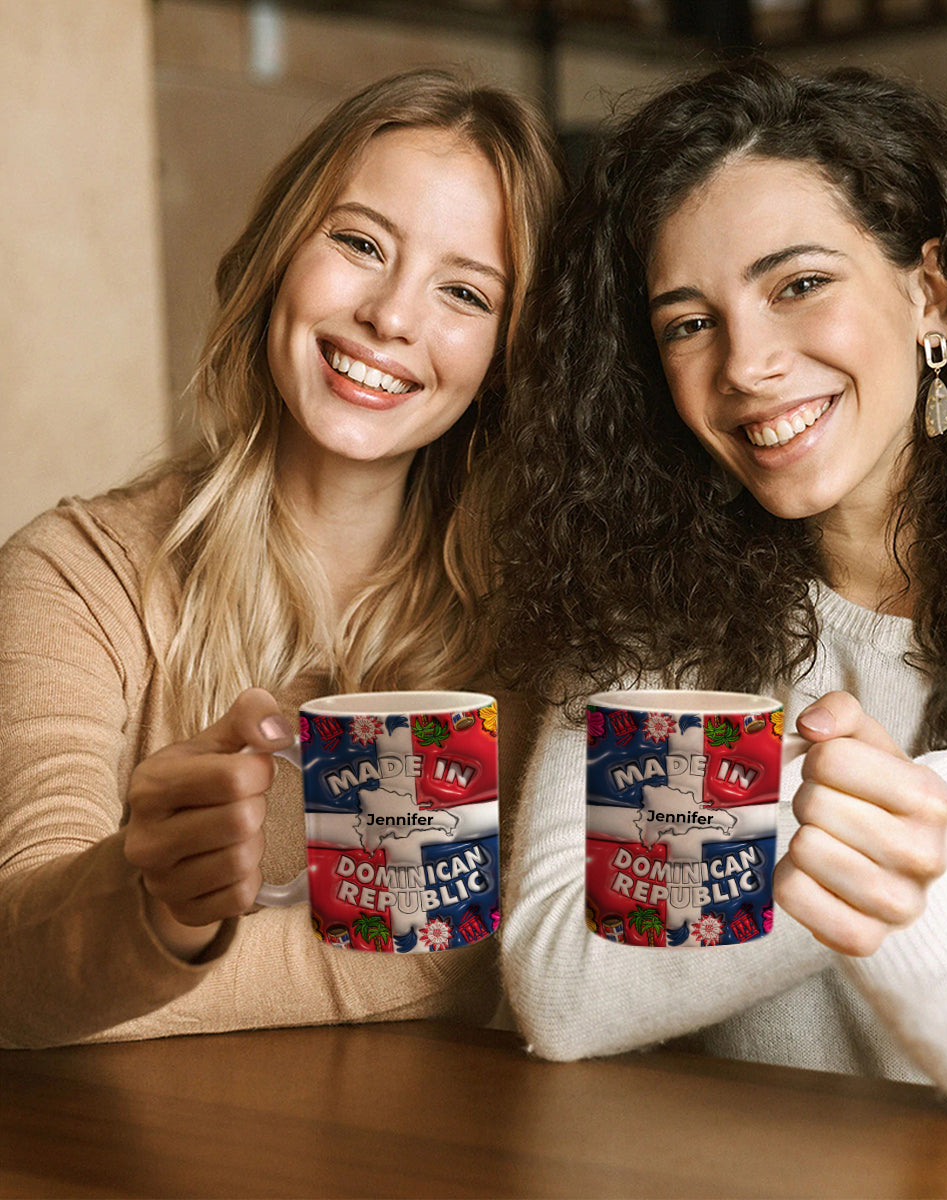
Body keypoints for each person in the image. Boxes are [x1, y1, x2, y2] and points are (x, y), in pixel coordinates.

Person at [488, 60, 947, 1111]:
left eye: (799, 285)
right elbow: (563, 988)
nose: (746, 363)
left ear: (930, 295)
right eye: (689, 321)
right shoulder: (651, 634)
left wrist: (899, 815)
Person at [0, 69, 563, 1048]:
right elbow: (18, 969)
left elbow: (500, 951)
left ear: (508, 355)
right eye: (358, 243)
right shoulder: (76, 575)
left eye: (465, 292)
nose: (392, 316)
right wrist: (158, 910)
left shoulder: (537, 623)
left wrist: (146, 970)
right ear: (278, 257)